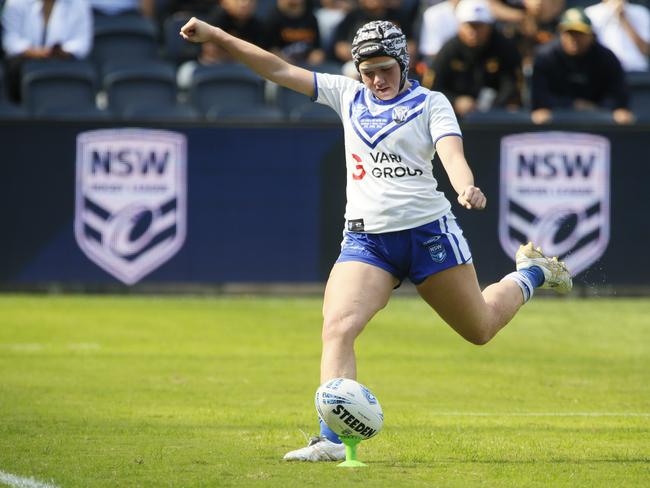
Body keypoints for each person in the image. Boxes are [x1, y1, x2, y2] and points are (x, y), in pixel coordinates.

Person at [180, 16, 573, 462]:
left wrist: (465, 185)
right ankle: (330, 440)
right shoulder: (347, 94)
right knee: (338, 328)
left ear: (404, 63)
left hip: (428, 236)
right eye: (367, 71)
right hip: (367, 241)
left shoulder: (431, 103)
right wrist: (217, 35)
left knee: (480, 329)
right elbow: (277, 69)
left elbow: (451, 153)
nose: (377, 79)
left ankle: (532, 273)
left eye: (385, 69)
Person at [530, 7, 635, 125]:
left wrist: (600, 107)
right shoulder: (546, 56)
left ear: (591, 35)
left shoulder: (606, 57)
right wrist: (571, 104)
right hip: (558, 120)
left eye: (579, 33)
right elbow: (539, 97)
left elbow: (618, 95)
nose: (573, 39)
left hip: (597, 121)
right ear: (561, 34)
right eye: (569, 33)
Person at [429, 0, 523, 117]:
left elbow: (512, 83)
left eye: (479, 26)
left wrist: (494, 106)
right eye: (468, 25)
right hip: (454, 116)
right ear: (459, 26)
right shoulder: (449, 50)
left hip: (496, 114)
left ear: (489, 26)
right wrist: (455, 101)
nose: (473, 32)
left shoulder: (504, 47)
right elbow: (432, 87)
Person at [1, 0, 93, 102]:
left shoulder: (79, 3)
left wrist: (61, 51)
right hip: (24, 61)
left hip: (64, 59)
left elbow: (82, 44)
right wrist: (34, 52)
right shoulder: (15, 2)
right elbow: (10, 41)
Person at [585, 0, 650, 73]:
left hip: (636, 70)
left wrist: (623, 17)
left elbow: (646, 49)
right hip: (605, 71)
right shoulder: (590, 13)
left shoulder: (641, 12)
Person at [264, 0, 326, 66]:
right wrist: (283, 61)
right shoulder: (272, 19)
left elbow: (317, 49)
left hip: (308, 65)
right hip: (282, 65)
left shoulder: (311, 18)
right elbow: (270, 50)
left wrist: (316, 56)